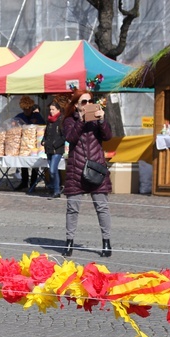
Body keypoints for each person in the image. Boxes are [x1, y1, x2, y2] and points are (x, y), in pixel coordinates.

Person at [61, 89, 113, 258]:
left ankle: (106, 242)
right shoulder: (69, 120)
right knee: (72, 208)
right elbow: (71, 138)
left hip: (96, 167)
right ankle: (69, 242)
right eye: (84, 102)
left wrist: (102, 120)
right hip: (77, 168)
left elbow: (108, 136)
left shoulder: (97, 120)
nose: (87, 105)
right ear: (76, 105)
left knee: (102, 207)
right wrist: (82, 120)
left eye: (90, 101)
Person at [14, 96, 46, 191]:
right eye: (24, 110)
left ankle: (33, 183)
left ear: (31, 108)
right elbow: (14, 128)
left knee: (34, 164)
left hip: (35, 144)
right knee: (23, 163)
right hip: (24, 144)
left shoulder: (37, 116)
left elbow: (43, 127)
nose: (26, 111)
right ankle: (24, 182)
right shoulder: (20, 116)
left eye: (28, 109)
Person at [42, 101, 65, 199]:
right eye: (50, 109)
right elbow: (46, 133)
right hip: (48, 148)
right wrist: (43, 141)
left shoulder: (61, 120)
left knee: (52, 170)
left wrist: (56, 144)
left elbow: (64, 136)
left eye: (53, 109)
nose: (51, 111)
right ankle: (54, 188)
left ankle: (56, 190)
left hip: (57, 150)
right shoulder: (49, 121)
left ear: (58, 110)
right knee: (53, 170)